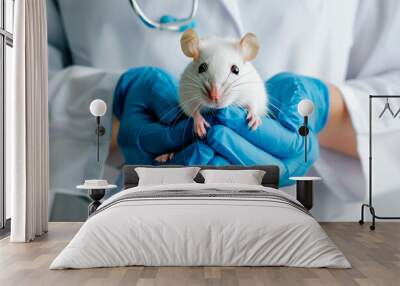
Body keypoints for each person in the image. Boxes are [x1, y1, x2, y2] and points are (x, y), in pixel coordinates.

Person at [47, 0, 400, 221]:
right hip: (128, 221)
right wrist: (114, 112)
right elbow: (13, 77)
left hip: (318, 222)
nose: (216, 92)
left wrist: (328, 111)